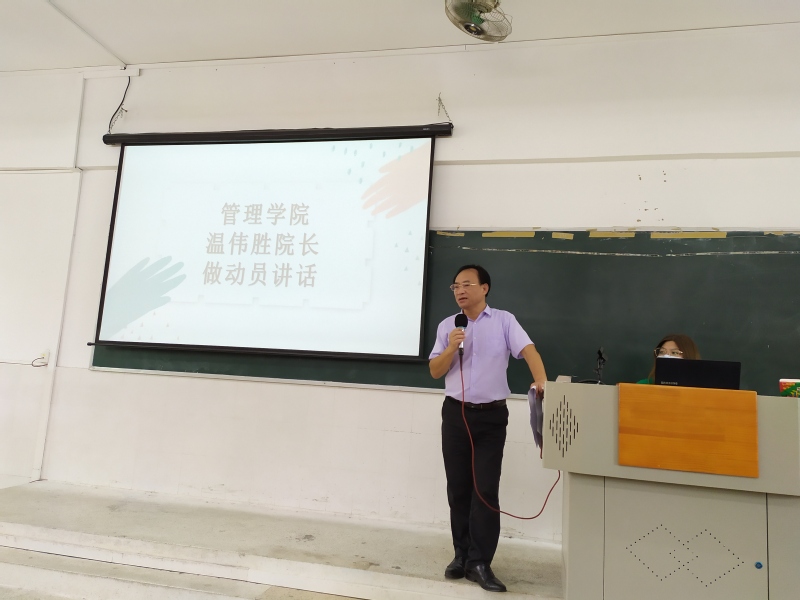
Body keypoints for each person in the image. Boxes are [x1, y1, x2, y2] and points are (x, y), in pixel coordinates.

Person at [429, 264, 547, 593]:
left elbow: (529, 351)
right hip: (455, 415)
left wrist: (541, 380)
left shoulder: (504, 321)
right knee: (458, 489)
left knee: (485, 490)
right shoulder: (448, 326)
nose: (460, 290)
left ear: (485, 288)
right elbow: (435, 371)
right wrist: (451, 347)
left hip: (491, 418)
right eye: (455, 286)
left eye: (467, 284)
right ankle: (461, 555)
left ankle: (480, 562)